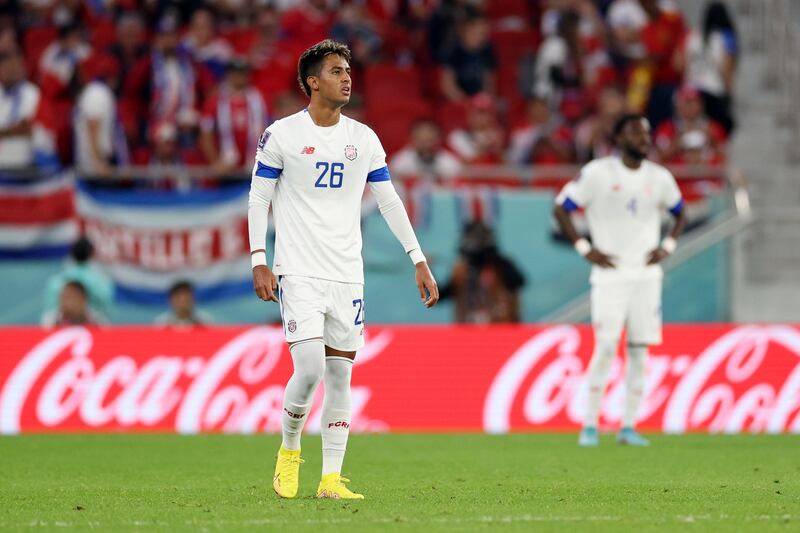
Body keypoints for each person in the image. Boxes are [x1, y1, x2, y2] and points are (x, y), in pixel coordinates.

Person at [248, 40, 438, 500]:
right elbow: (259, 198)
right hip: (298, 271)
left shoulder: (364, 138)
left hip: (347, 275)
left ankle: (331, 478)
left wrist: (418, 258)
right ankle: (289, 450)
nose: (346, 77)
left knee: (340, 376)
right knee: (309, 368)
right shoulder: (282, 135)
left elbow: (389, 201)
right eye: (336, 71)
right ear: (312, 82)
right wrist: (259, 258)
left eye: (348, 70)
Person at [553, 114, 686, 447]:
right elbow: (561, 207)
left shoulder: (660, 177)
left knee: (640, 349)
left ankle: (628, 426)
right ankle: (590, 425)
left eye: (646, 132)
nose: (643, 138)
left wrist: (667, 245)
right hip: (610, 276)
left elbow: (680, 211)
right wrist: (585, 248)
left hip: (645, 275)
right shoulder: (598, 173)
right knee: (607, 345)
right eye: (636, 133)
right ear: (619, 138)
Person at [440, 221, 526, 323]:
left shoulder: (501, 266)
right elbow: (439, 296)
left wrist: (497, 261)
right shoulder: (461, 271)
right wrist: (428, 273)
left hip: (501, 328)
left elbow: (520, 282)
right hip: (468, 331)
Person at [199, 58, 267, 173]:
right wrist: (215, 162)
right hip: (227, 168)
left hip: (253, 168)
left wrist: (264, 160)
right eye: (234, 73)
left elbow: (267, 132)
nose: (238, 77)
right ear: (228, 75)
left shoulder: (259, 100)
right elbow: (206, 134)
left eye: (242, 73)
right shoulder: (215, 101)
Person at [681, 1, 737, 133]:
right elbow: (726, 69)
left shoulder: (692, 36)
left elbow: (681, 63)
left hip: (691, 90)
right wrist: (729, 94)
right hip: (713, 91)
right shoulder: (726, 37)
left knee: (693, 131)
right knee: (715, 132)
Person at [42, 237, 114, 323]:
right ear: (92, 254)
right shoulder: (101, 282)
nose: (71, 302)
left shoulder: (56, 282)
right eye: (66, 297)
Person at [0, 50, 41, 168]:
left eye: (15, 66)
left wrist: (3, 132)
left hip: (23, 161)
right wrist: (12, 130)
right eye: (7, 67)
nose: (12, 71)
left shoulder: (32, 92)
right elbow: (18, 128)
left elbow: (26, 127)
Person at [389, 119, 461, 181]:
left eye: (429, 140)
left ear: (438, 139)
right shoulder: (399, 162)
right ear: (412, 138)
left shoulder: (450, 162)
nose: (425, 145)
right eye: (421, 140)